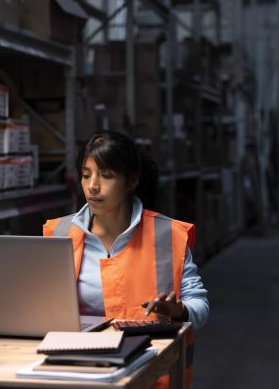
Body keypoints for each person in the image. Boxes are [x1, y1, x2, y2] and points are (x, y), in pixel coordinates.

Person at [43, 131, 209, 388]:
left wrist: (179, 311)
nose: (92, 186)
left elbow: (200, 305)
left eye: (106, 176)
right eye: (86, 175)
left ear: (131, 181)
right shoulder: (60, 233)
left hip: (151, 373)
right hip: (77, 370)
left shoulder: (168, 235)